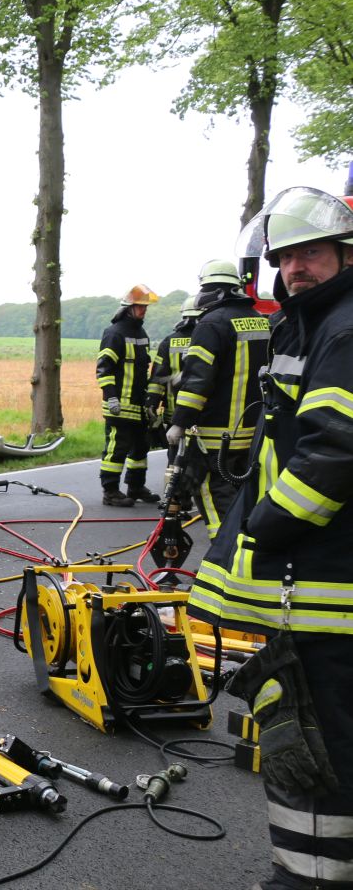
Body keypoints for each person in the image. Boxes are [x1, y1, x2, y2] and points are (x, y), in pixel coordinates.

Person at [187, 186, 353, 890]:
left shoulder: (342, 329)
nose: (294, 270)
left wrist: (266, 527)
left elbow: (335, 449)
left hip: (323, 581)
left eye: (309, 253)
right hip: (316, 575)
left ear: (345, 252)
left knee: (311, 746)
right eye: (283, 259)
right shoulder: (304, 323)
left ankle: (309, 880)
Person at [165, 260, 270, 539]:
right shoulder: (261, 319)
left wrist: (179, 422)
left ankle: (224, 559)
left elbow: (198, 382)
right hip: (255, 433)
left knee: (213, 496)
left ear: (213, 290)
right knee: (245, 497)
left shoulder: (211, 324)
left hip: (216, 436)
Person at [95, 283, 162, 507]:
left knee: (140, 448)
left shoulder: (141, 333)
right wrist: (111, 396)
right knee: (117, 448)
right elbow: (104, 369)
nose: (144, 311)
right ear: (129, 307)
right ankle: (110, 491)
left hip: (138, 404)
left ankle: (135, 486)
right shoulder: (114, 333)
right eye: (140, 307)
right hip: (119, 405)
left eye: (145, 307)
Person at [145, 293, 206, 465]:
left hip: (174, 413)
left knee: (175, 459)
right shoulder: (208, 339)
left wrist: (152, 403)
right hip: (202, 413)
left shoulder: (169, 342)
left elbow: (157, 379)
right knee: (200, 459)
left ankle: (176, 491)